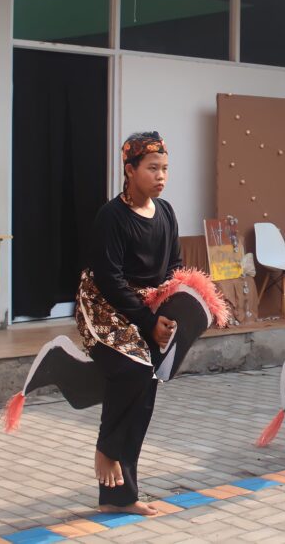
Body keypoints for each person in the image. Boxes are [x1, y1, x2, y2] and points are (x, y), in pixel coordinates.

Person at [73, 131, 182, 516]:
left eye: (164, 168)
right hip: (103, 305)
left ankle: (120, 498)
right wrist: (148, 321)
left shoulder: (166, 212)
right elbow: (111, 279)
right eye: (152, 168)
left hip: (145, 308)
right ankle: (106, 449)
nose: (161, 176)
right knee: (134, 369)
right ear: (130, 169)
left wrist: (169, 311)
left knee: (146, 390)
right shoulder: (112, 216)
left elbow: (174, 267)